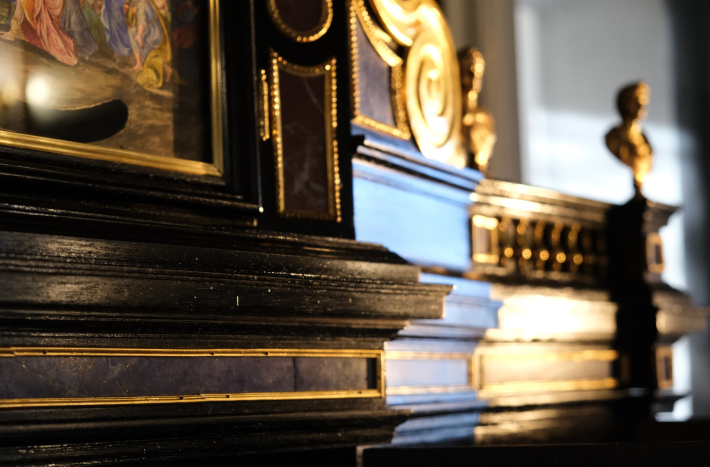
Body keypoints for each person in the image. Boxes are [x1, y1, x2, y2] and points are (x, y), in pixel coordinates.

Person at [605, 82, 653, 197]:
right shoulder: (614, 137)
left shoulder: (644, 138)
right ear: (626, 103)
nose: (642, 103)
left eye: (643, 99)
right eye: (637, 99)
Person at [20, 0, 78, 66]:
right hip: (52, 5)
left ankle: (63, 53)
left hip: (50, 5)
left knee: (50, 29)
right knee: (51, 28)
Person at [131, 0, 172, 89]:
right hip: (157, 32)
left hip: (151, 36)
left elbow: (141, 23)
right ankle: (167, 69)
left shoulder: (142, 5)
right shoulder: (148, 3)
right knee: (134, 34)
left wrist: (139, 35)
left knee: (133, 35)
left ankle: (140, 64)